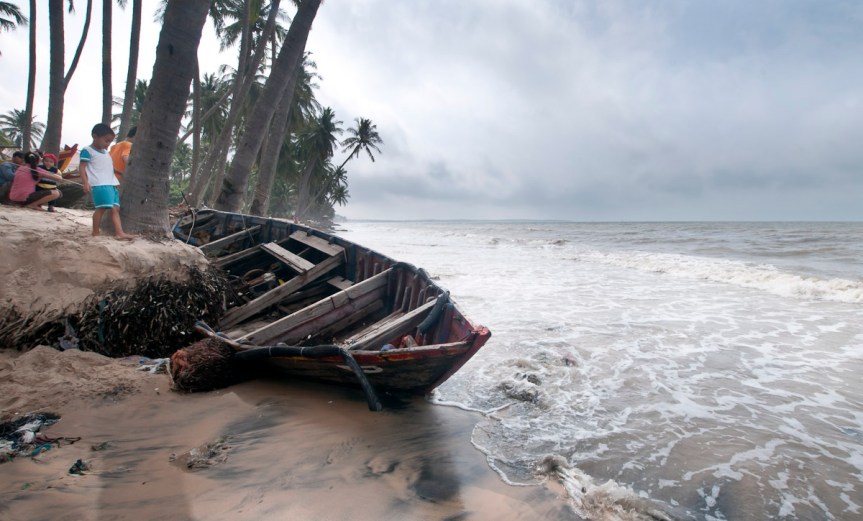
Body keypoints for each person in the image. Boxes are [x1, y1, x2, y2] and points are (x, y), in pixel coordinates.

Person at [80, 123, 134, 240]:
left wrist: (121, 174)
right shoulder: (87, 151)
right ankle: (95, 232)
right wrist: (85, 182)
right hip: (100, 184)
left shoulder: (105, 153)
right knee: (101, 208)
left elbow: (109, 168)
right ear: (95, 136)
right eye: (106, 141)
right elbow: (82, 167)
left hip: (111, 184)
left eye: (110, 142)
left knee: (115, 209)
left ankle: (119, 233)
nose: (108, 144)